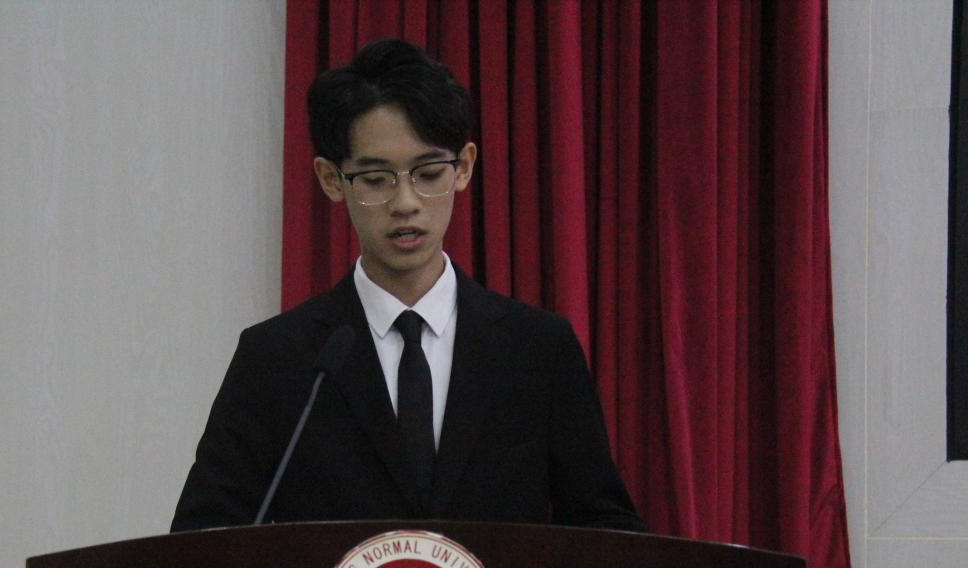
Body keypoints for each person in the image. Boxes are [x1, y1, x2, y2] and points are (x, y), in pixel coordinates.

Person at [171, 39, 643, 533]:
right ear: (331, 179)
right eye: (376, 179)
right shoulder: (278, 359)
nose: (406, 203)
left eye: (428, 173)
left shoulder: (537, 350)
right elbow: (202, 543)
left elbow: (605, 530)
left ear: (464, 167)